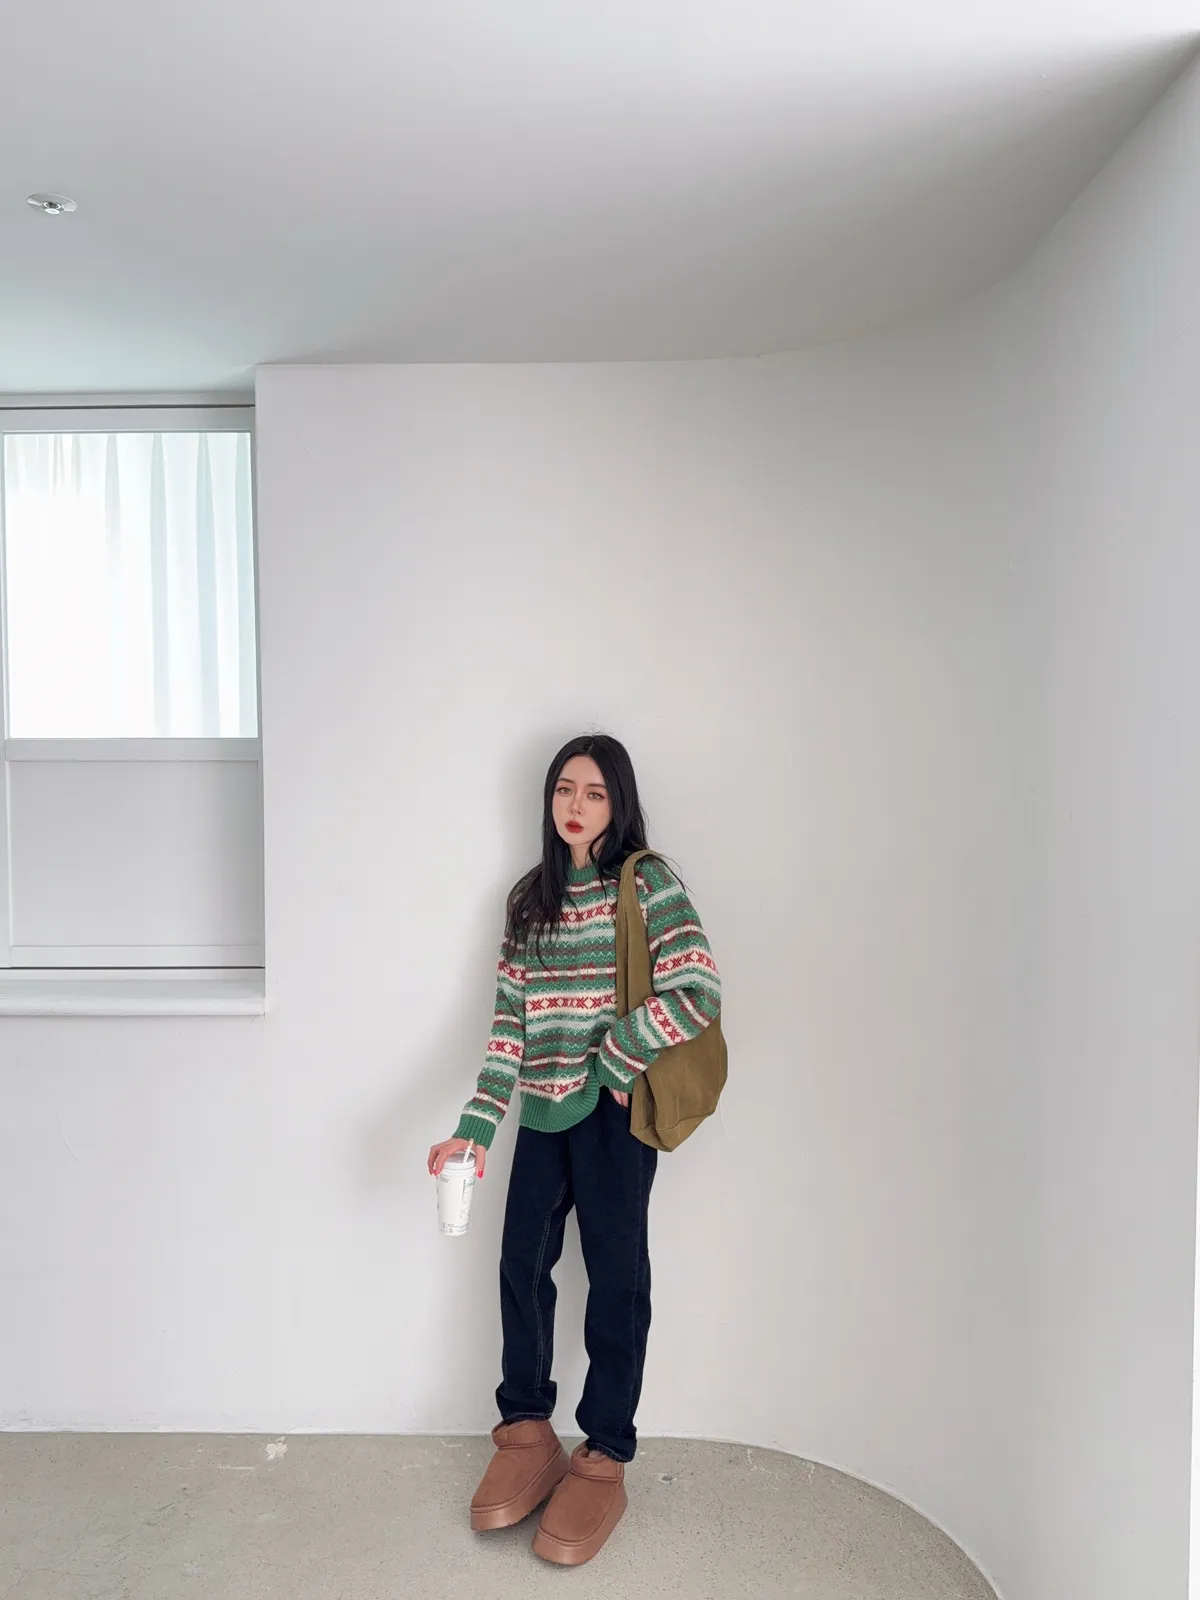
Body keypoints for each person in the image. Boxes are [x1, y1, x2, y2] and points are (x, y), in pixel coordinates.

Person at [427, 731, 722, 1566]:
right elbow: (508, 1032)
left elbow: (697, 987)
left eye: (594, 792)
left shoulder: (648, 883)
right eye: (565, 789)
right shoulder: (531, 900)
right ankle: (526, 1430)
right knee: (520, 1267)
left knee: (617, 1283)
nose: (576, 805)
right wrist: (475, 1127)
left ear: (617, 803)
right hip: (542, 1113)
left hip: (613, 1119)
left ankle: (604, 1452)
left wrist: (619, 1056)